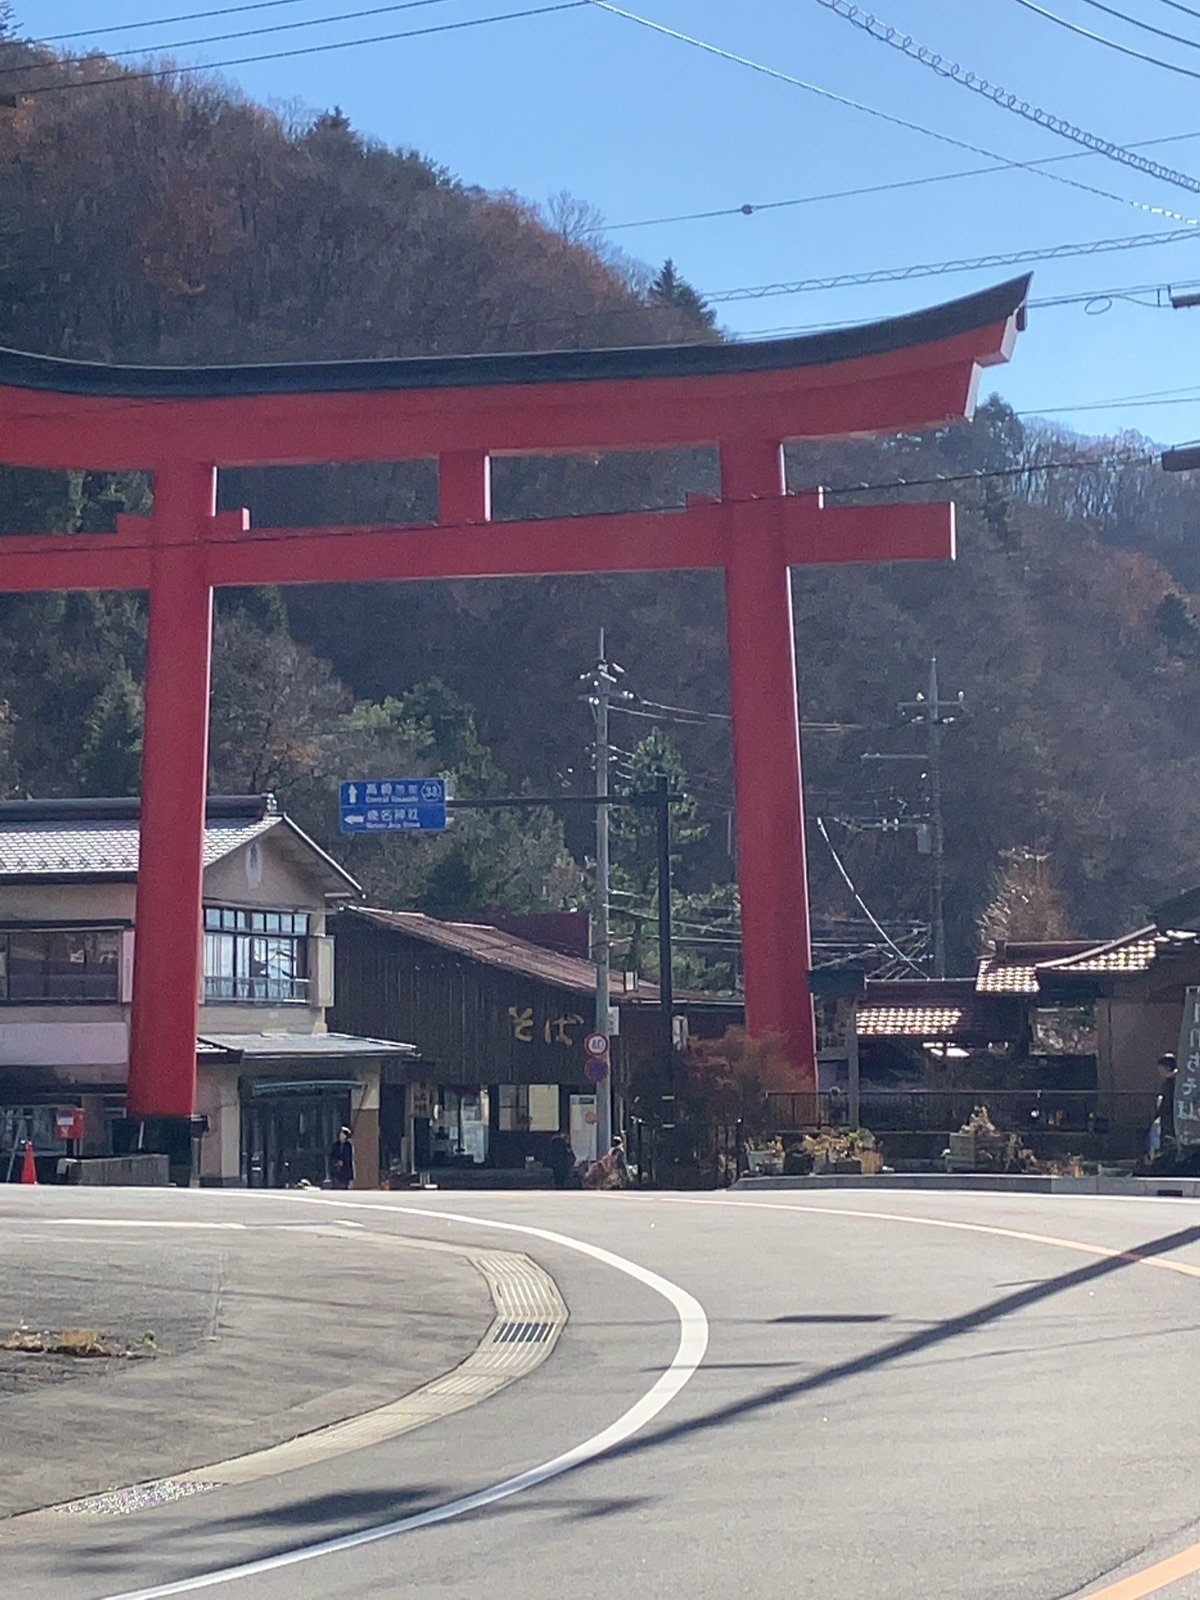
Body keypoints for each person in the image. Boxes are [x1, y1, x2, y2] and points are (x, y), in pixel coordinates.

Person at [1151, 1053, 1178, 1160]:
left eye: (1162, 1070)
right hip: (1165, 1117)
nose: (1161, 1074)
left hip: (1172, 1116)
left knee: (1170, 1140)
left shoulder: (1176, 1081)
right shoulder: (1167, 1082)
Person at [329, 1125, 355, 1190]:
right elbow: (332, 1158)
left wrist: (351, 1177)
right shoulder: (335, 1146)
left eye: (343, 1134)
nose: (341, 1136)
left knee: (344, 1188)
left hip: (345, 1173)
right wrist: (336, 1163)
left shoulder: (348, 1146)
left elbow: (350, 1161)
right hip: (336, 1173)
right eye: (340, 1134)